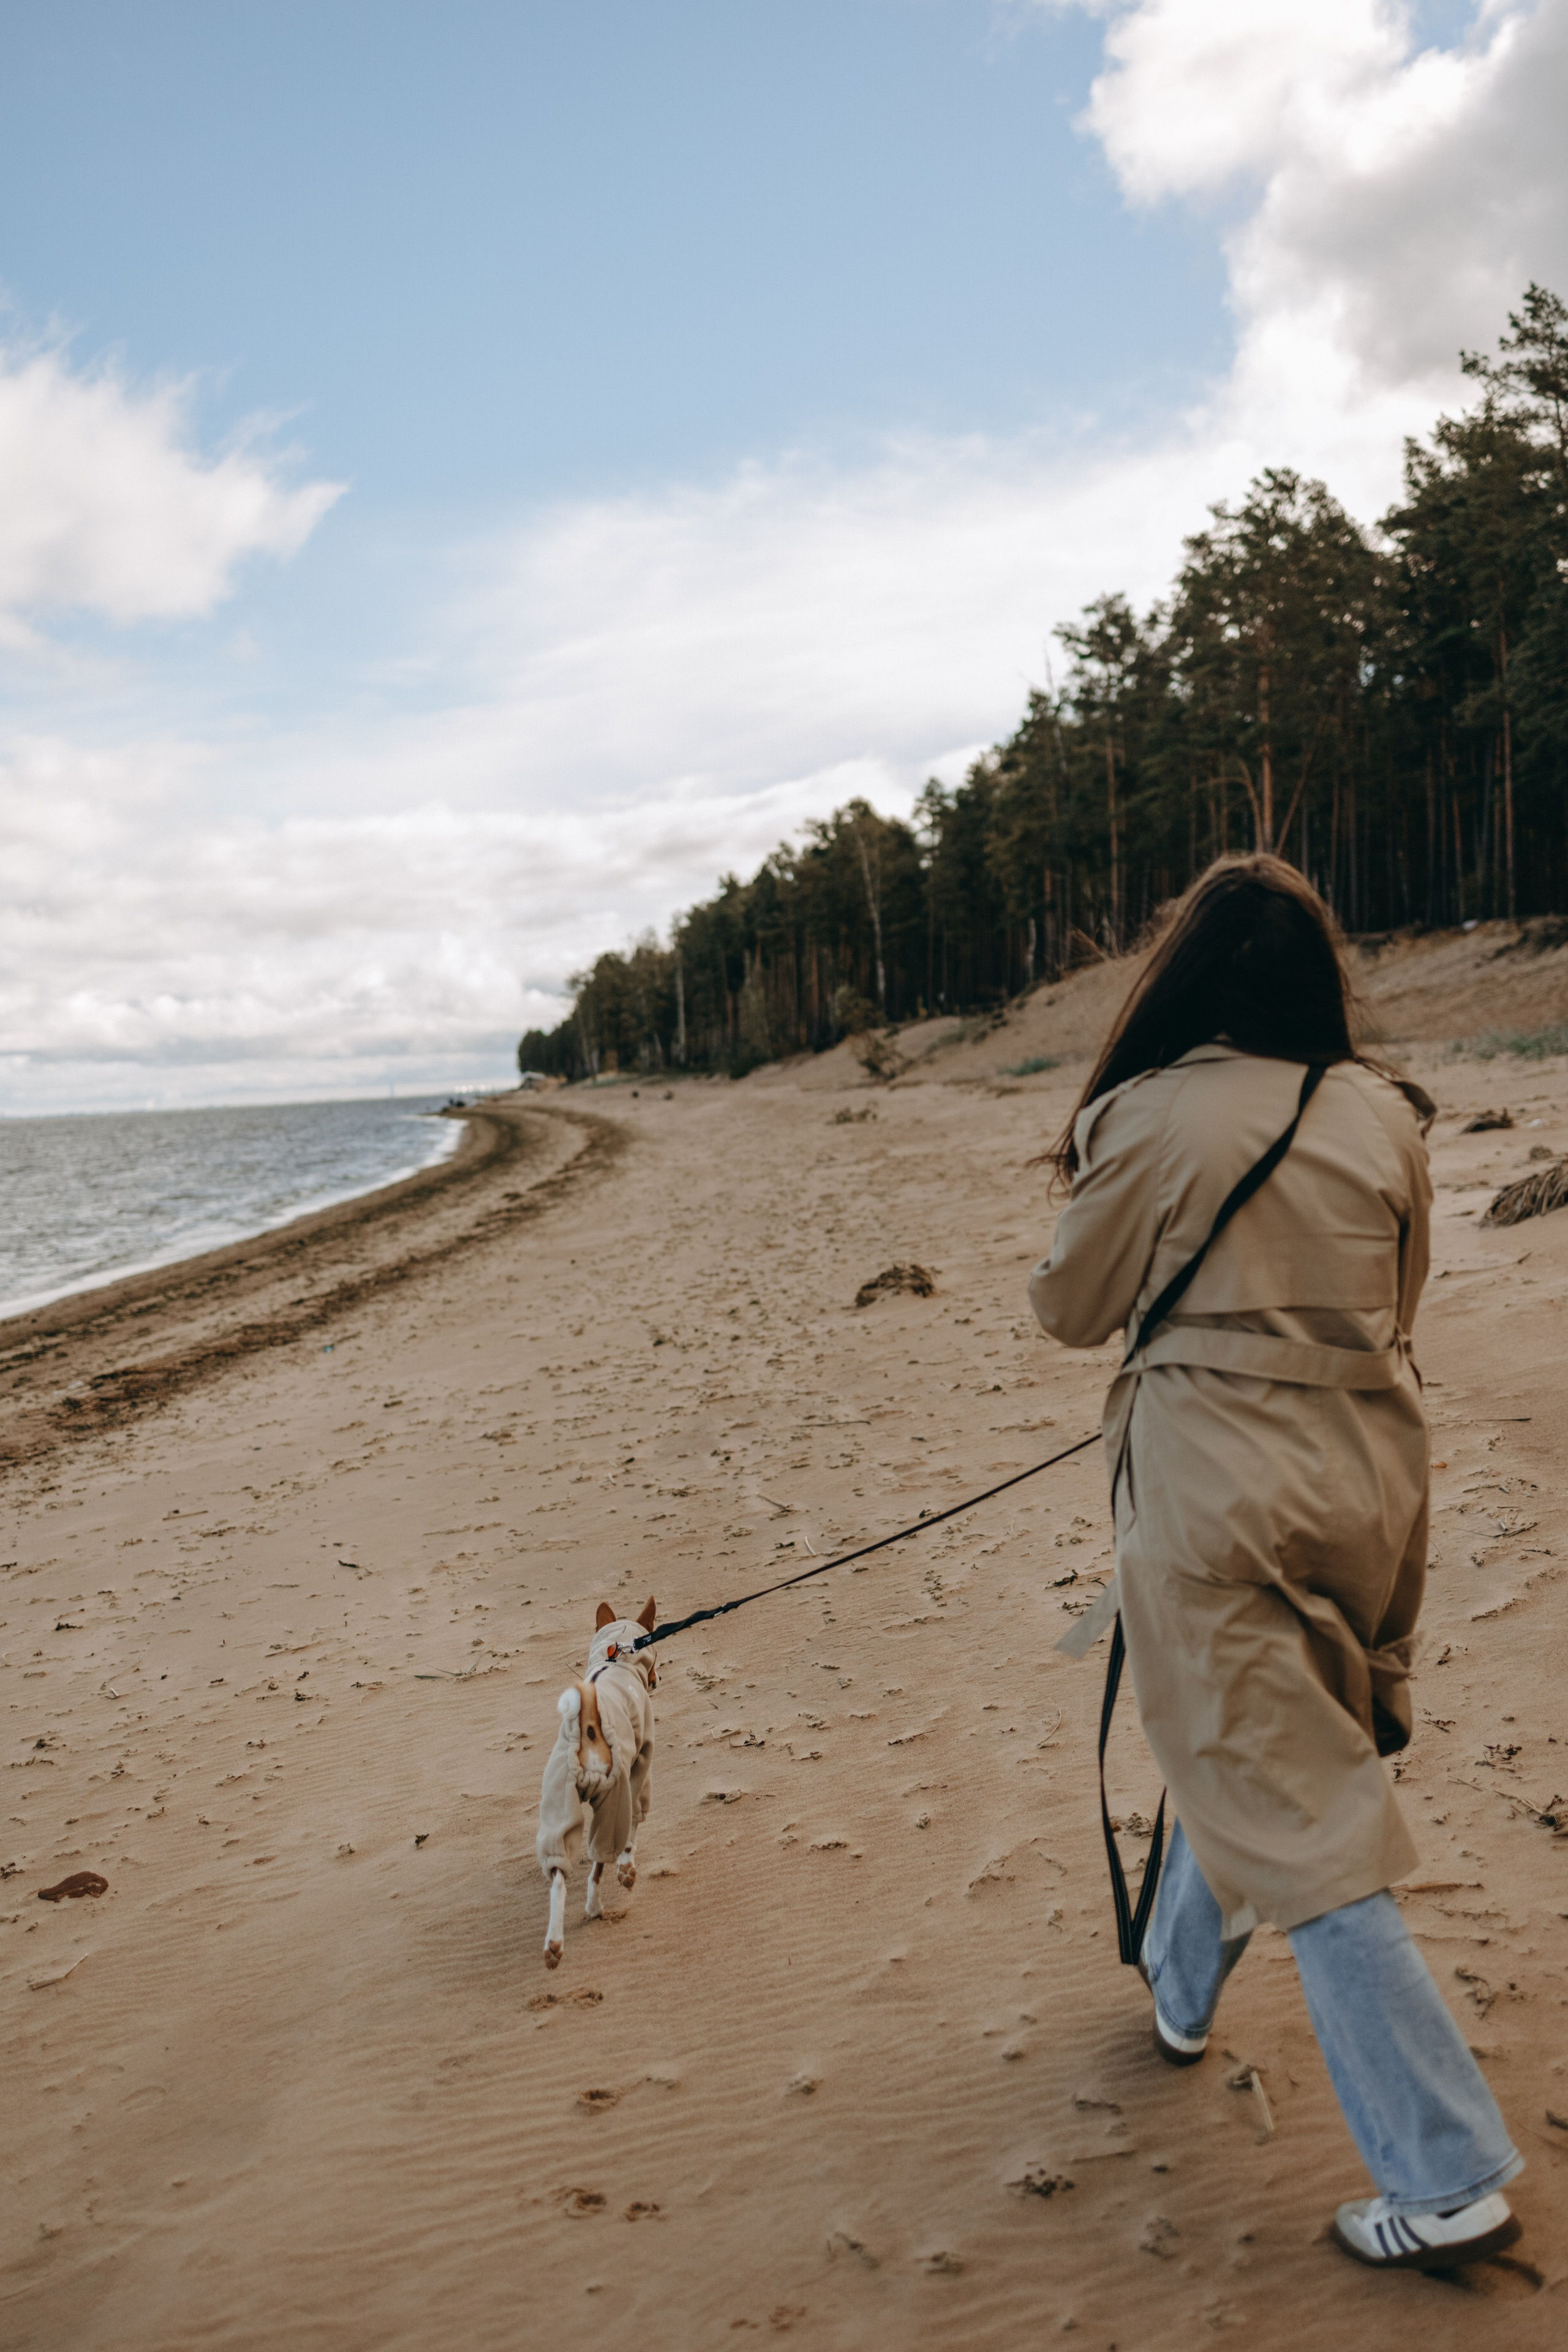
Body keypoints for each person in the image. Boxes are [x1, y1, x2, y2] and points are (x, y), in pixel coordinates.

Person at [1027, 854, 1524, 2274]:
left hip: (1211, 1500)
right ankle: (1181, 1991)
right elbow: (1400, 1296)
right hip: (1370, 1483)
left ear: (1180, 979)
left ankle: (1441, 2177)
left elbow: (1068, 1308)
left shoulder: (1144, 1110)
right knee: (1266, 1743)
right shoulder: (1380, 1114)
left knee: (1297, 1812)